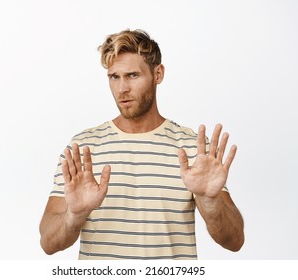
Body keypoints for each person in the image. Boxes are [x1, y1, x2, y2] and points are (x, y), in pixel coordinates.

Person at [39, 29, 244, 260]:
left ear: (158, 74)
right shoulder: (83, 148)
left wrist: (211, 202)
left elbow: (235, 240)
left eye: (133, 75)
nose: (121, 89)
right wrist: (74, 216)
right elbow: (47, 242)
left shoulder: (191, 148)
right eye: (114, 77)